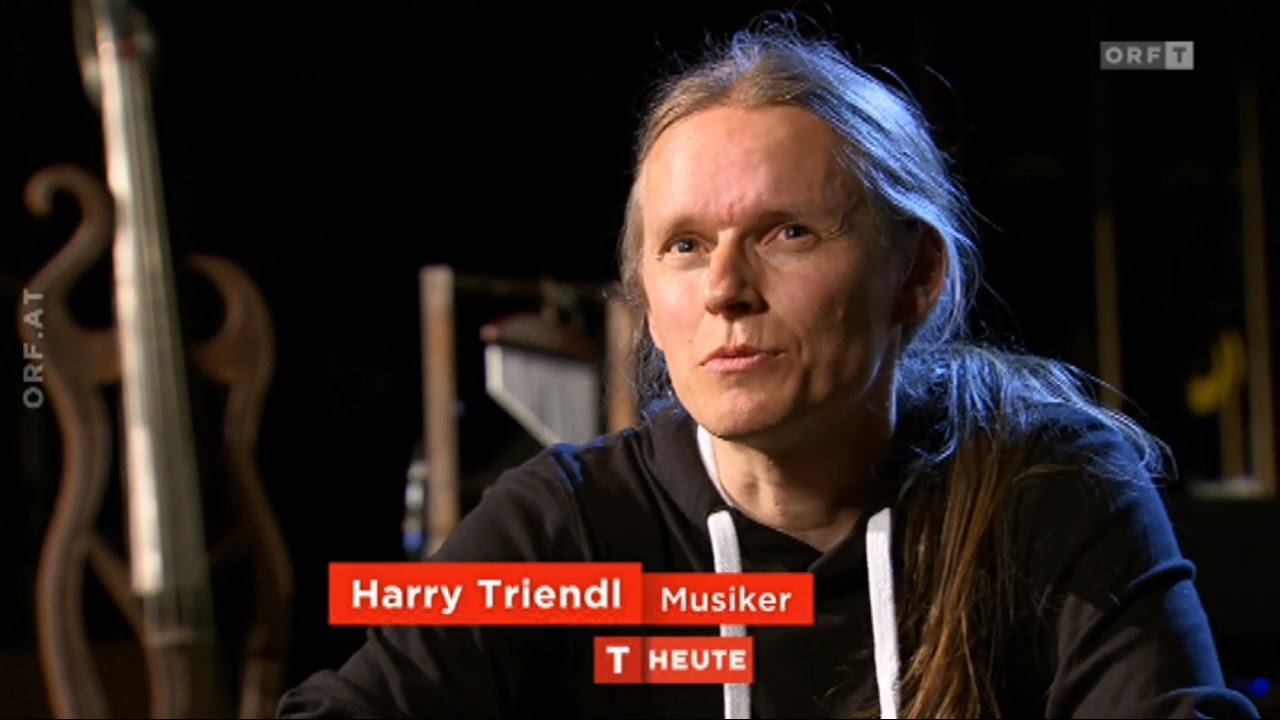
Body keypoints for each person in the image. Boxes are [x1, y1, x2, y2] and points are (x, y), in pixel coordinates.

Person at [277, 17, 1260, 720]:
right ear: (645, 298)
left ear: (915, 275)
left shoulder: (1049, 490)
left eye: (787, 232)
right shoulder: (562, 529)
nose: (724, 289)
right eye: (683, 246)